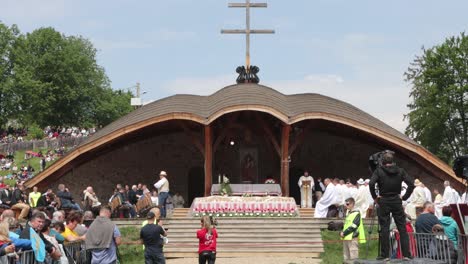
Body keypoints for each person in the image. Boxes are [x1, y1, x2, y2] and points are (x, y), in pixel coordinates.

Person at [369, 151, 415, 261]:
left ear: (383, 161)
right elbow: (411, 184)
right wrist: (404, 197)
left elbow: (371, 184)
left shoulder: (379, 171)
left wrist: (375, 197)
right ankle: (406, 254)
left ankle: (385, 255)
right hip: (396, 200)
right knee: (402, 228)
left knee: (384, 228)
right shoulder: (400, 171)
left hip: (384, 200)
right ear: (392, 161)